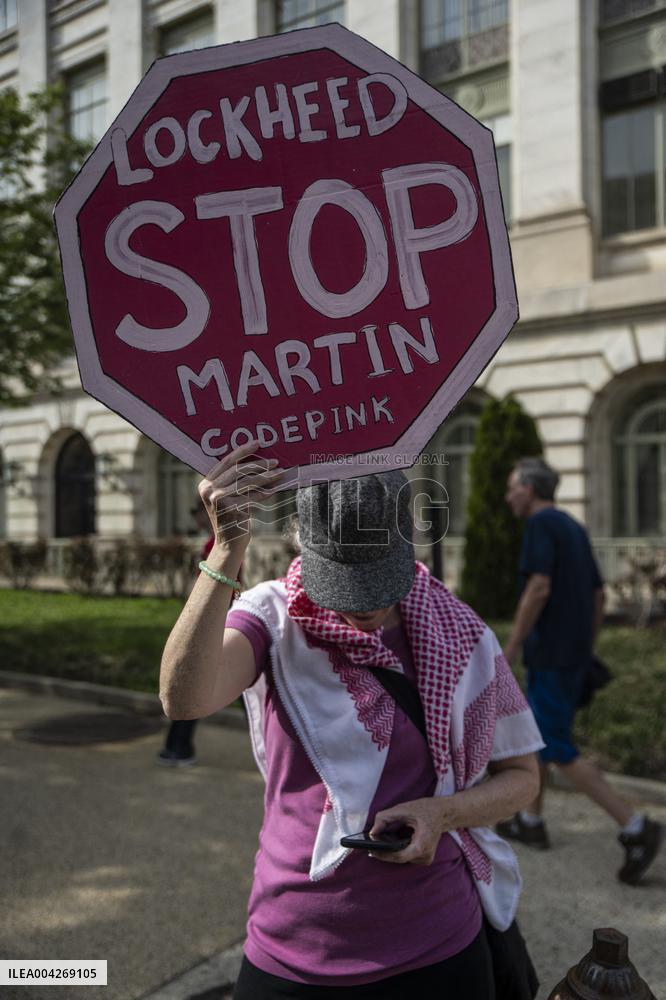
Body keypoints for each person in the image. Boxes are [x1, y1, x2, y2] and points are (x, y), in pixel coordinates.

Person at [160, 440, 546, 999]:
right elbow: (183, 700)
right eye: (342, 582)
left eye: (378, 583)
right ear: (304, 548)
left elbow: (524, 778)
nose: (364, 608)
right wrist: (226, 552)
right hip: (295, 946)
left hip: (440, 945)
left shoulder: (458, 630)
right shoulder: (272, 618)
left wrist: (442, 814)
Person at [499, 456, 663, 885]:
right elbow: (598, 595)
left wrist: (512, 645)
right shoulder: (573, 526)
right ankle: (531, 822)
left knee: (554, 745)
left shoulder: (540, 526)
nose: (508, 495)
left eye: (513, 487)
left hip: (551, 656)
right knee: (542, 739)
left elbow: (538, 587)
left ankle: (635, 826)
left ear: (530, 490)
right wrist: (586, 646)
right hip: (571, 655)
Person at [157, 501, 215, 767]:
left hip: (212, 623)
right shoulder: (214, 543)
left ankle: (179, 747)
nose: (196, 520)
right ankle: (178, 746)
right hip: (214, 621)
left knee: (191, 681)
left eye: (199, 513)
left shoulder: (217, 545)